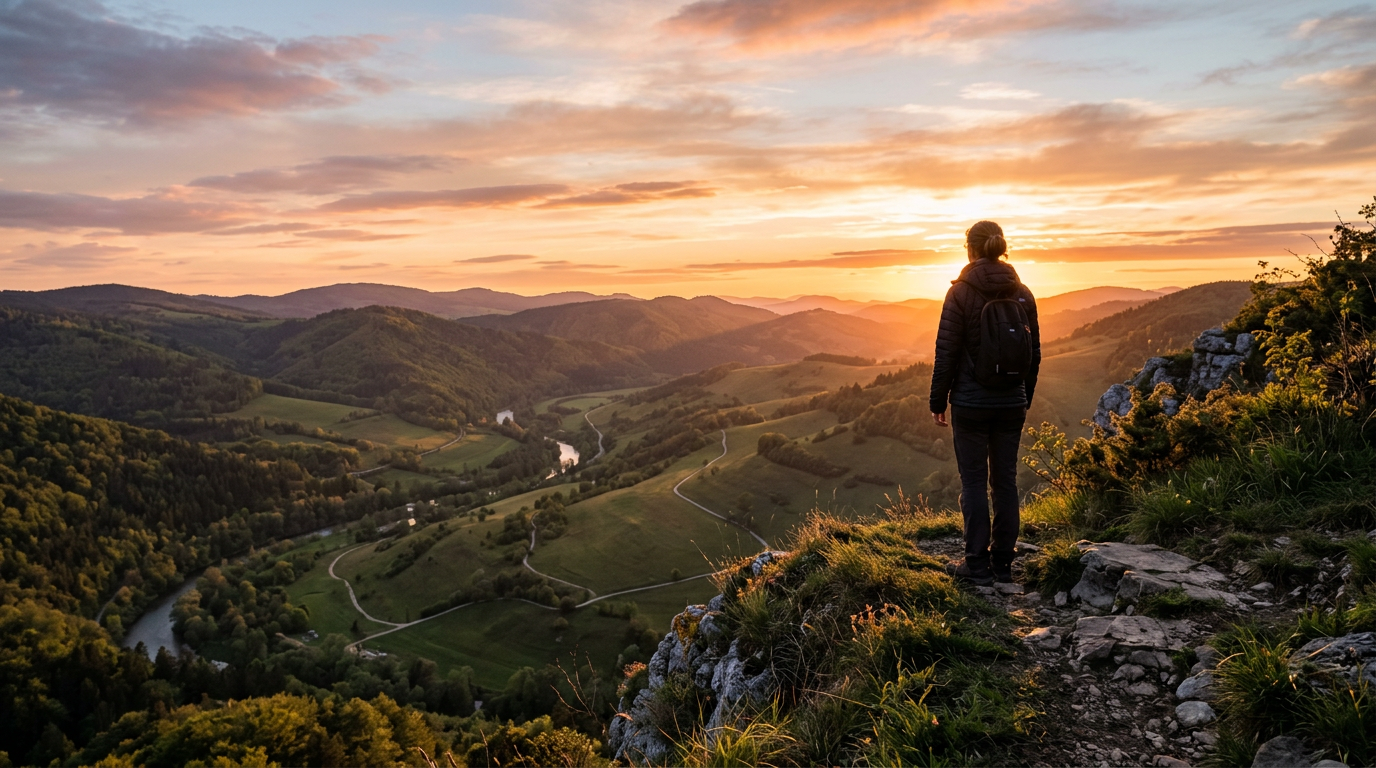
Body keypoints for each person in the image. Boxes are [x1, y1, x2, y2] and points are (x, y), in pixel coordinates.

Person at [929, 220, 1040, 586]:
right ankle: (1004, 565)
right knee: (1005, 481)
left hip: (970, 403)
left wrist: (938, 400)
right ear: (1001, 248)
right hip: (1011, 403)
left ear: (970, 248)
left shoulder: (960, 293)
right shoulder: (1023, 293)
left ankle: (976, 565)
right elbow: (1033, 354)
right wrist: (1025, 396)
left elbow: (946, 352)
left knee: (974, 481)